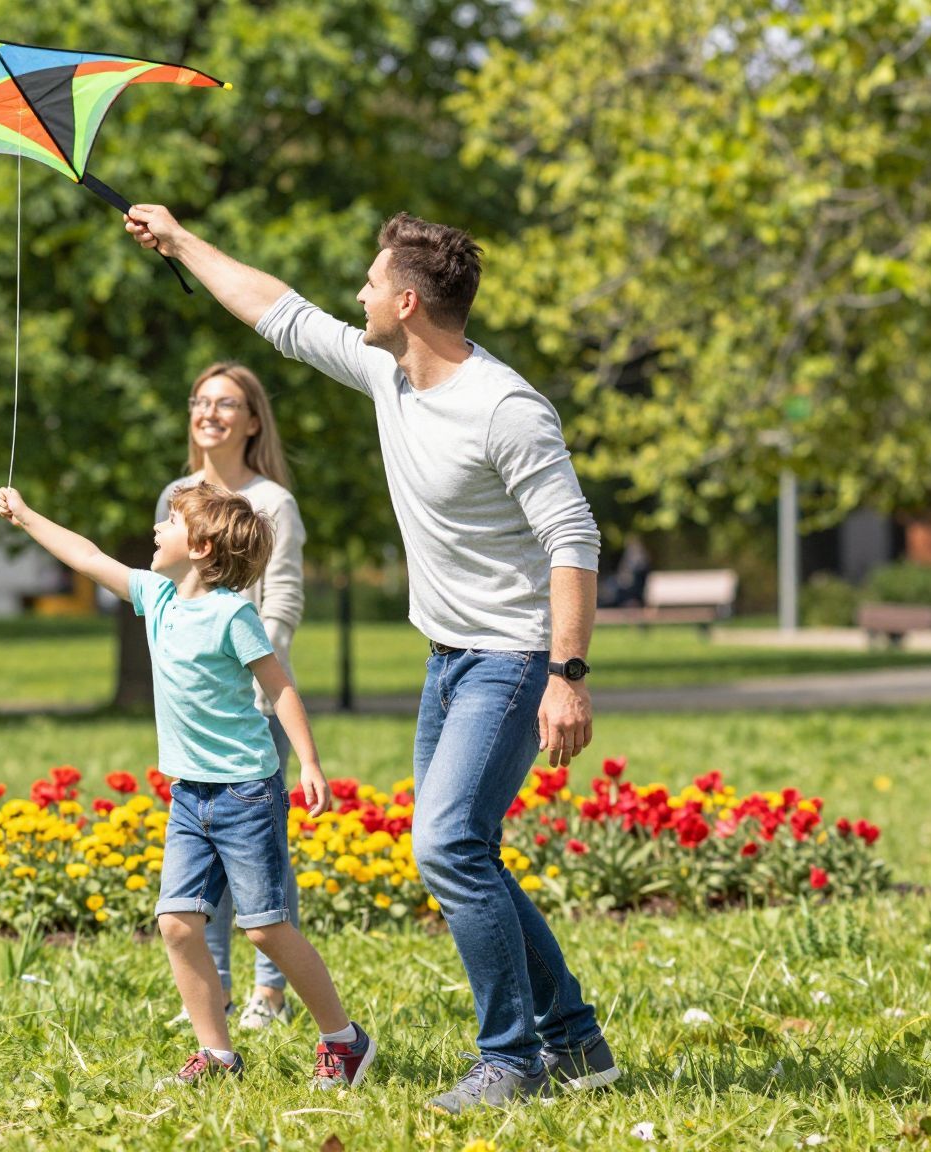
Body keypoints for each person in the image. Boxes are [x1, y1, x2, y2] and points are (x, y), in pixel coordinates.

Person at [124, 205, 618, 1112]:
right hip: (447, 658)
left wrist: (567, 675)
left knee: (447, 846)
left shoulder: (505, 407)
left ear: (406, 300)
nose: (354, 294)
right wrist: (182, 242)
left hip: (512, 655)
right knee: (469, 851)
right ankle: (577, 1042)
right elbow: (278, 310)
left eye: (368, 281)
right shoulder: (389, 373)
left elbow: (573, 537)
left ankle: (510, 1060)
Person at [0, 482, 374, 1091]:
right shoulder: (158, 597)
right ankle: (217, 1054)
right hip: (190, 796)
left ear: (199, 546)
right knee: (176, 922)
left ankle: (344, 1040)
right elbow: (88, 557)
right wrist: (27, 515)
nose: (156, 529)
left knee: (265, 927)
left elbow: (279, 688)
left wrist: (308, 762)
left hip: (246, 793)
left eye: (169, 522)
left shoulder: (234, 614)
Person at [157, 362, 306, 1033]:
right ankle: (211, 997)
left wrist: (248, 673)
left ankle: (269, 993)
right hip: (196, 703)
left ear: (252, 420)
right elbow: (165, 592)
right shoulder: (177, 495)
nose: (210, 412)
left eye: (227, 403)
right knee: (200, 861)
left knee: (257, 855)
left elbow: (283, 600)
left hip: (250, 701)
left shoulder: (272, 502)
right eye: (200, 401)